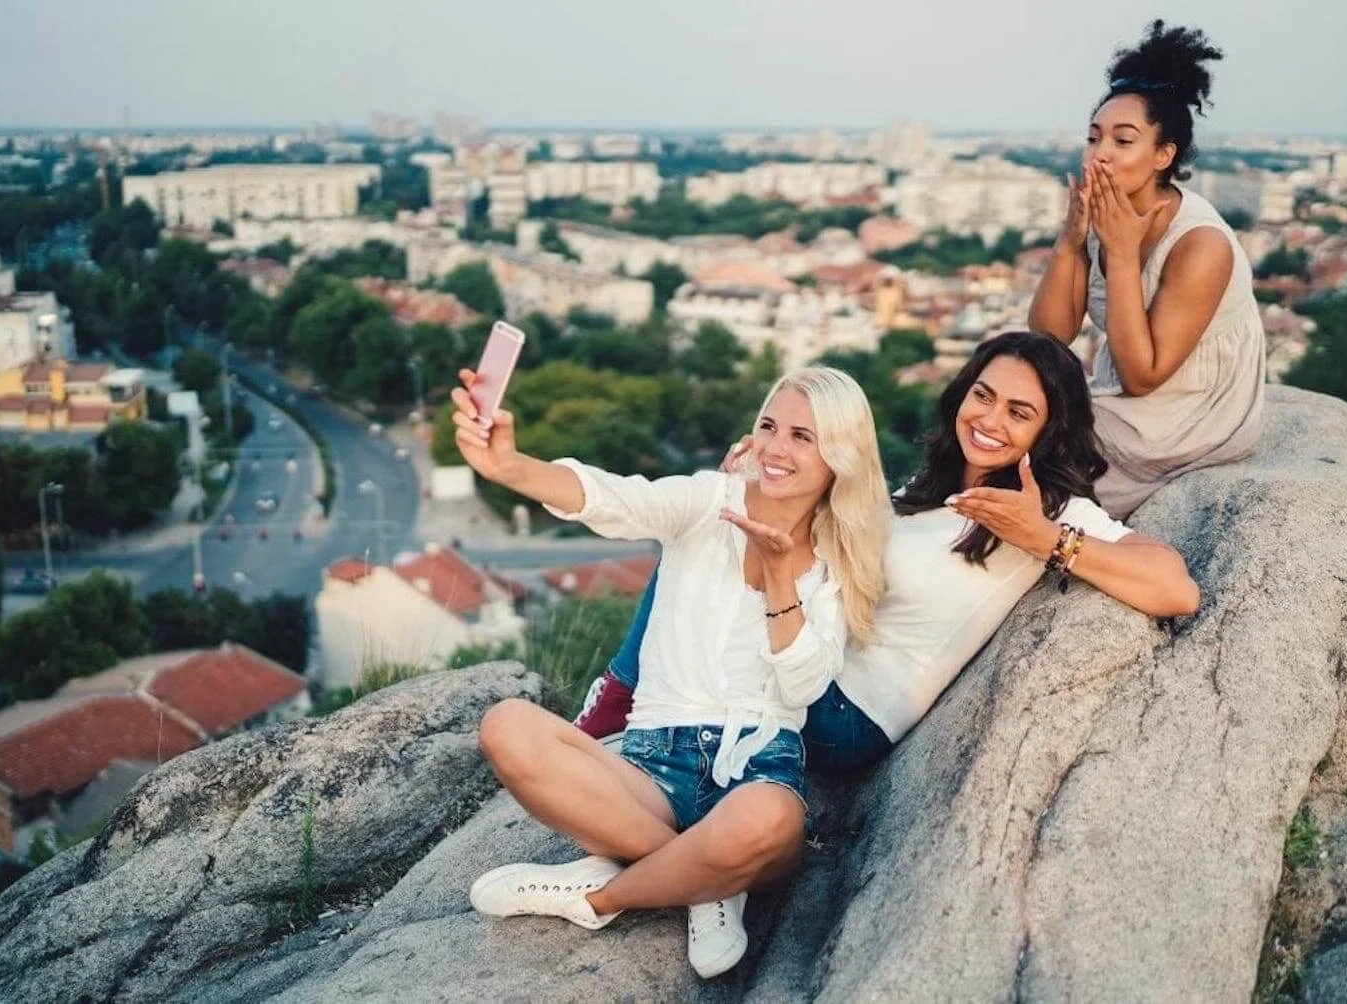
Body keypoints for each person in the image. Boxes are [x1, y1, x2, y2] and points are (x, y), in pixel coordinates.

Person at [577, 331, 1201, 777]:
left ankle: (615, 702)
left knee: (710, 530)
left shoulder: (1050, 510)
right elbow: (828, 540)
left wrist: (1044, 539)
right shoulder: (926, 491)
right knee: (714, 524)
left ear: (1049, 431)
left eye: (1019, 413)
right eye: (982, 396)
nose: (989, 419)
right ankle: (626, 704)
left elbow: (1175, 587)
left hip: (848, 714)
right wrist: (762, 482)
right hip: (813, 664)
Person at [452, 366, 891, 979]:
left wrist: (779, 579)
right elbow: (615, 496)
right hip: (651, 766)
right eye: (769, 426)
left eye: (802, 436)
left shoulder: (842, 559)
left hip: (756, 770)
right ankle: (705, 883)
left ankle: (600, 897)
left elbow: (803, 689)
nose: (775, 448)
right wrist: (509, 466)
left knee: (770, 821)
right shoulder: (708, 501)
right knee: (506, 726)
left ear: (840, 455)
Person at [1028, 20, 1266, 518]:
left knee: (1024, 454)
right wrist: (1071, 241)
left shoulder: (1201, 244)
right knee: (998, 400)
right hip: (1124, 400)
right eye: (1094, 139)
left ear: (1163, 154)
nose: (1102, 154)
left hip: (1188, 418)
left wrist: (1121, 253)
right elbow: (1050, 336)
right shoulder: (1106, 215)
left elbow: (1144, 377)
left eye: (1123, 140)